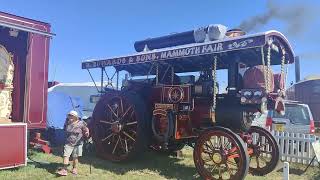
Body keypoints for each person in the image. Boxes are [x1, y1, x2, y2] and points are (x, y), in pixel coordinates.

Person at [57, 110, 89, 176]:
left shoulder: (81, 123)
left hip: (78, 143)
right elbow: (65, 129)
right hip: (68, 142)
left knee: (75, 157)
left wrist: (86, 133)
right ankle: (64, 170)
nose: (70, 117)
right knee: (66, 155)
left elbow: (86, 129)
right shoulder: (67, 122)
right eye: (69, 115)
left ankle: (74, 169)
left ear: (75, 117)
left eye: (72, 115)